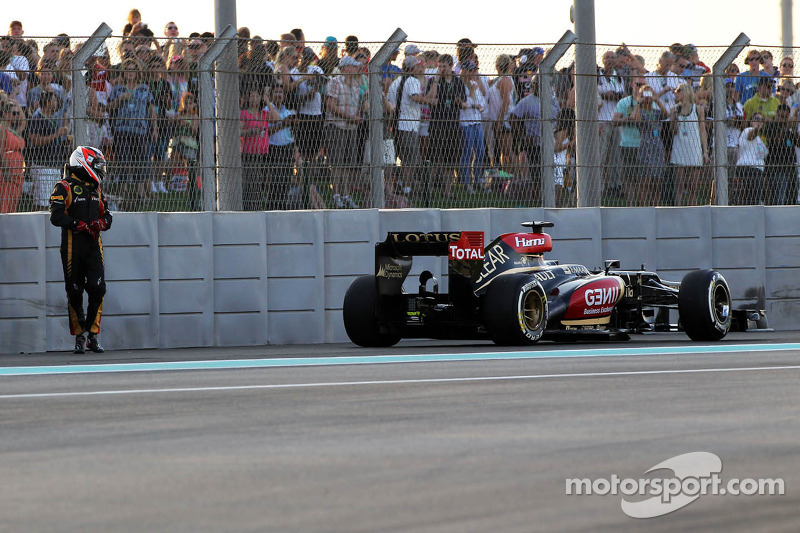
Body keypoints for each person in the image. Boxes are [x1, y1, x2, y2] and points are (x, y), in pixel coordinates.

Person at [49, 146, 112, 354]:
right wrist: (79, 224)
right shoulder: (63, 186)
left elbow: (108, 217)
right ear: (83, 162)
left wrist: (100, 225)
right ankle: (80, 337)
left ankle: (93, 335)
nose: (100, 170)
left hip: (94, 247)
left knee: (98, 288)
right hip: (71, 248)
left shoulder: (95, 189)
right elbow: (56, 217)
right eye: (97, 165)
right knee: (74, 291)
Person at [425, 54, 465, 198]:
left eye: (444, 66)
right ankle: (427, 190)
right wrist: (436, 81)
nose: (441, 69)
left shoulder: (458, 82)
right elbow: (429, 99)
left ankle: (447, 191)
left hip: (453, 125)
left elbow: (464, 104)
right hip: (437, 124)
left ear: (450, 66)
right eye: (439, 66)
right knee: (434, 159)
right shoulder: (433, 80)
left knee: (450, 160)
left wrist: (459, 101)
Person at [27, 90, 69, 210]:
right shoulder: (38, 119)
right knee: (41, 203)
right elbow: (35, 140)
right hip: (42, 166)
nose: (56, 103)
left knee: (53, 202)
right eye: (54, 100)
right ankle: (37, 226)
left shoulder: (52, 119)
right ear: (48, 102)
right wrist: (56, 134)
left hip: (54, 165)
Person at [669, 83, 710, 206]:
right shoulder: (674, 109)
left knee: (693, 188)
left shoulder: (698, 109)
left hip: (694, 148)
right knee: (679, 186)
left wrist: (705, 151)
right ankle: (678, 210)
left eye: (678, 90)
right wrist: (675, 118)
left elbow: (702, 130)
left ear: (686, 92)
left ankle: (693, 210)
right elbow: (673, 131)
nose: (676, 93)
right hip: (680, 147)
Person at [629, 84, 669, 206]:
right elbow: (636, 120)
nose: (647, 97)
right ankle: (643, 206)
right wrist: (638, 102)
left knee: (657, 181)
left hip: (657, 146)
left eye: (649, 94)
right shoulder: (639, 111)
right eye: (645, 94)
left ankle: (655, 206)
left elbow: (666, 115)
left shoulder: (656, 112)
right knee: (644, 180)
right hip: (645, 145)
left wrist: (657, 100)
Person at [761, 103, 800, 205]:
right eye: (781, 116)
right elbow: (777, 140)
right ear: (776, 113)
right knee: (778, 196)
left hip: (790, 166)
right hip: (776, 166)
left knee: (792, 195)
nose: (783, 119)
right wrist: (786, 126)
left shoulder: (790, 129)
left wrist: (794, 129)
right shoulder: (770, 126)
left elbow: (798, 143)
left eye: (786, 117)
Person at [458, 60, 486, 194]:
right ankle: (466, 182)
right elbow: (464, 103)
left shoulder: (475, 84)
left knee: (481, 151)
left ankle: (478, 180)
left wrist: (475, 104)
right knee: (467, 153)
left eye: (474, 70)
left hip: (476, 121)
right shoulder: (459, 84)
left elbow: (481, 103)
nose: (474, 73)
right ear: (464, 71)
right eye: (471, 70)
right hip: (465, 122)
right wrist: (473, 101)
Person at [733, 112, 768, 205]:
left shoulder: (760, 138)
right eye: (756, 119)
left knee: (752, 197)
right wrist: (756, 128)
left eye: (761, 120)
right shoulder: (748, 130)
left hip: (756, 169)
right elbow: (751, 135)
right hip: (749, 168)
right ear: (751, 121)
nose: (759, 121)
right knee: (752, 198)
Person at [0, 101, 26, 213]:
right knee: (5, 199)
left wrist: (16, 103)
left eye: (17, 113)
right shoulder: (2, 128)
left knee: (13, 200)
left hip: (17, 169)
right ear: (5, 114)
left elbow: (23, 122)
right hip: (7, 169)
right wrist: (6, 169)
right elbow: (1, 149)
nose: (16, 116)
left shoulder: (14, 130)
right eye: (13, 113)